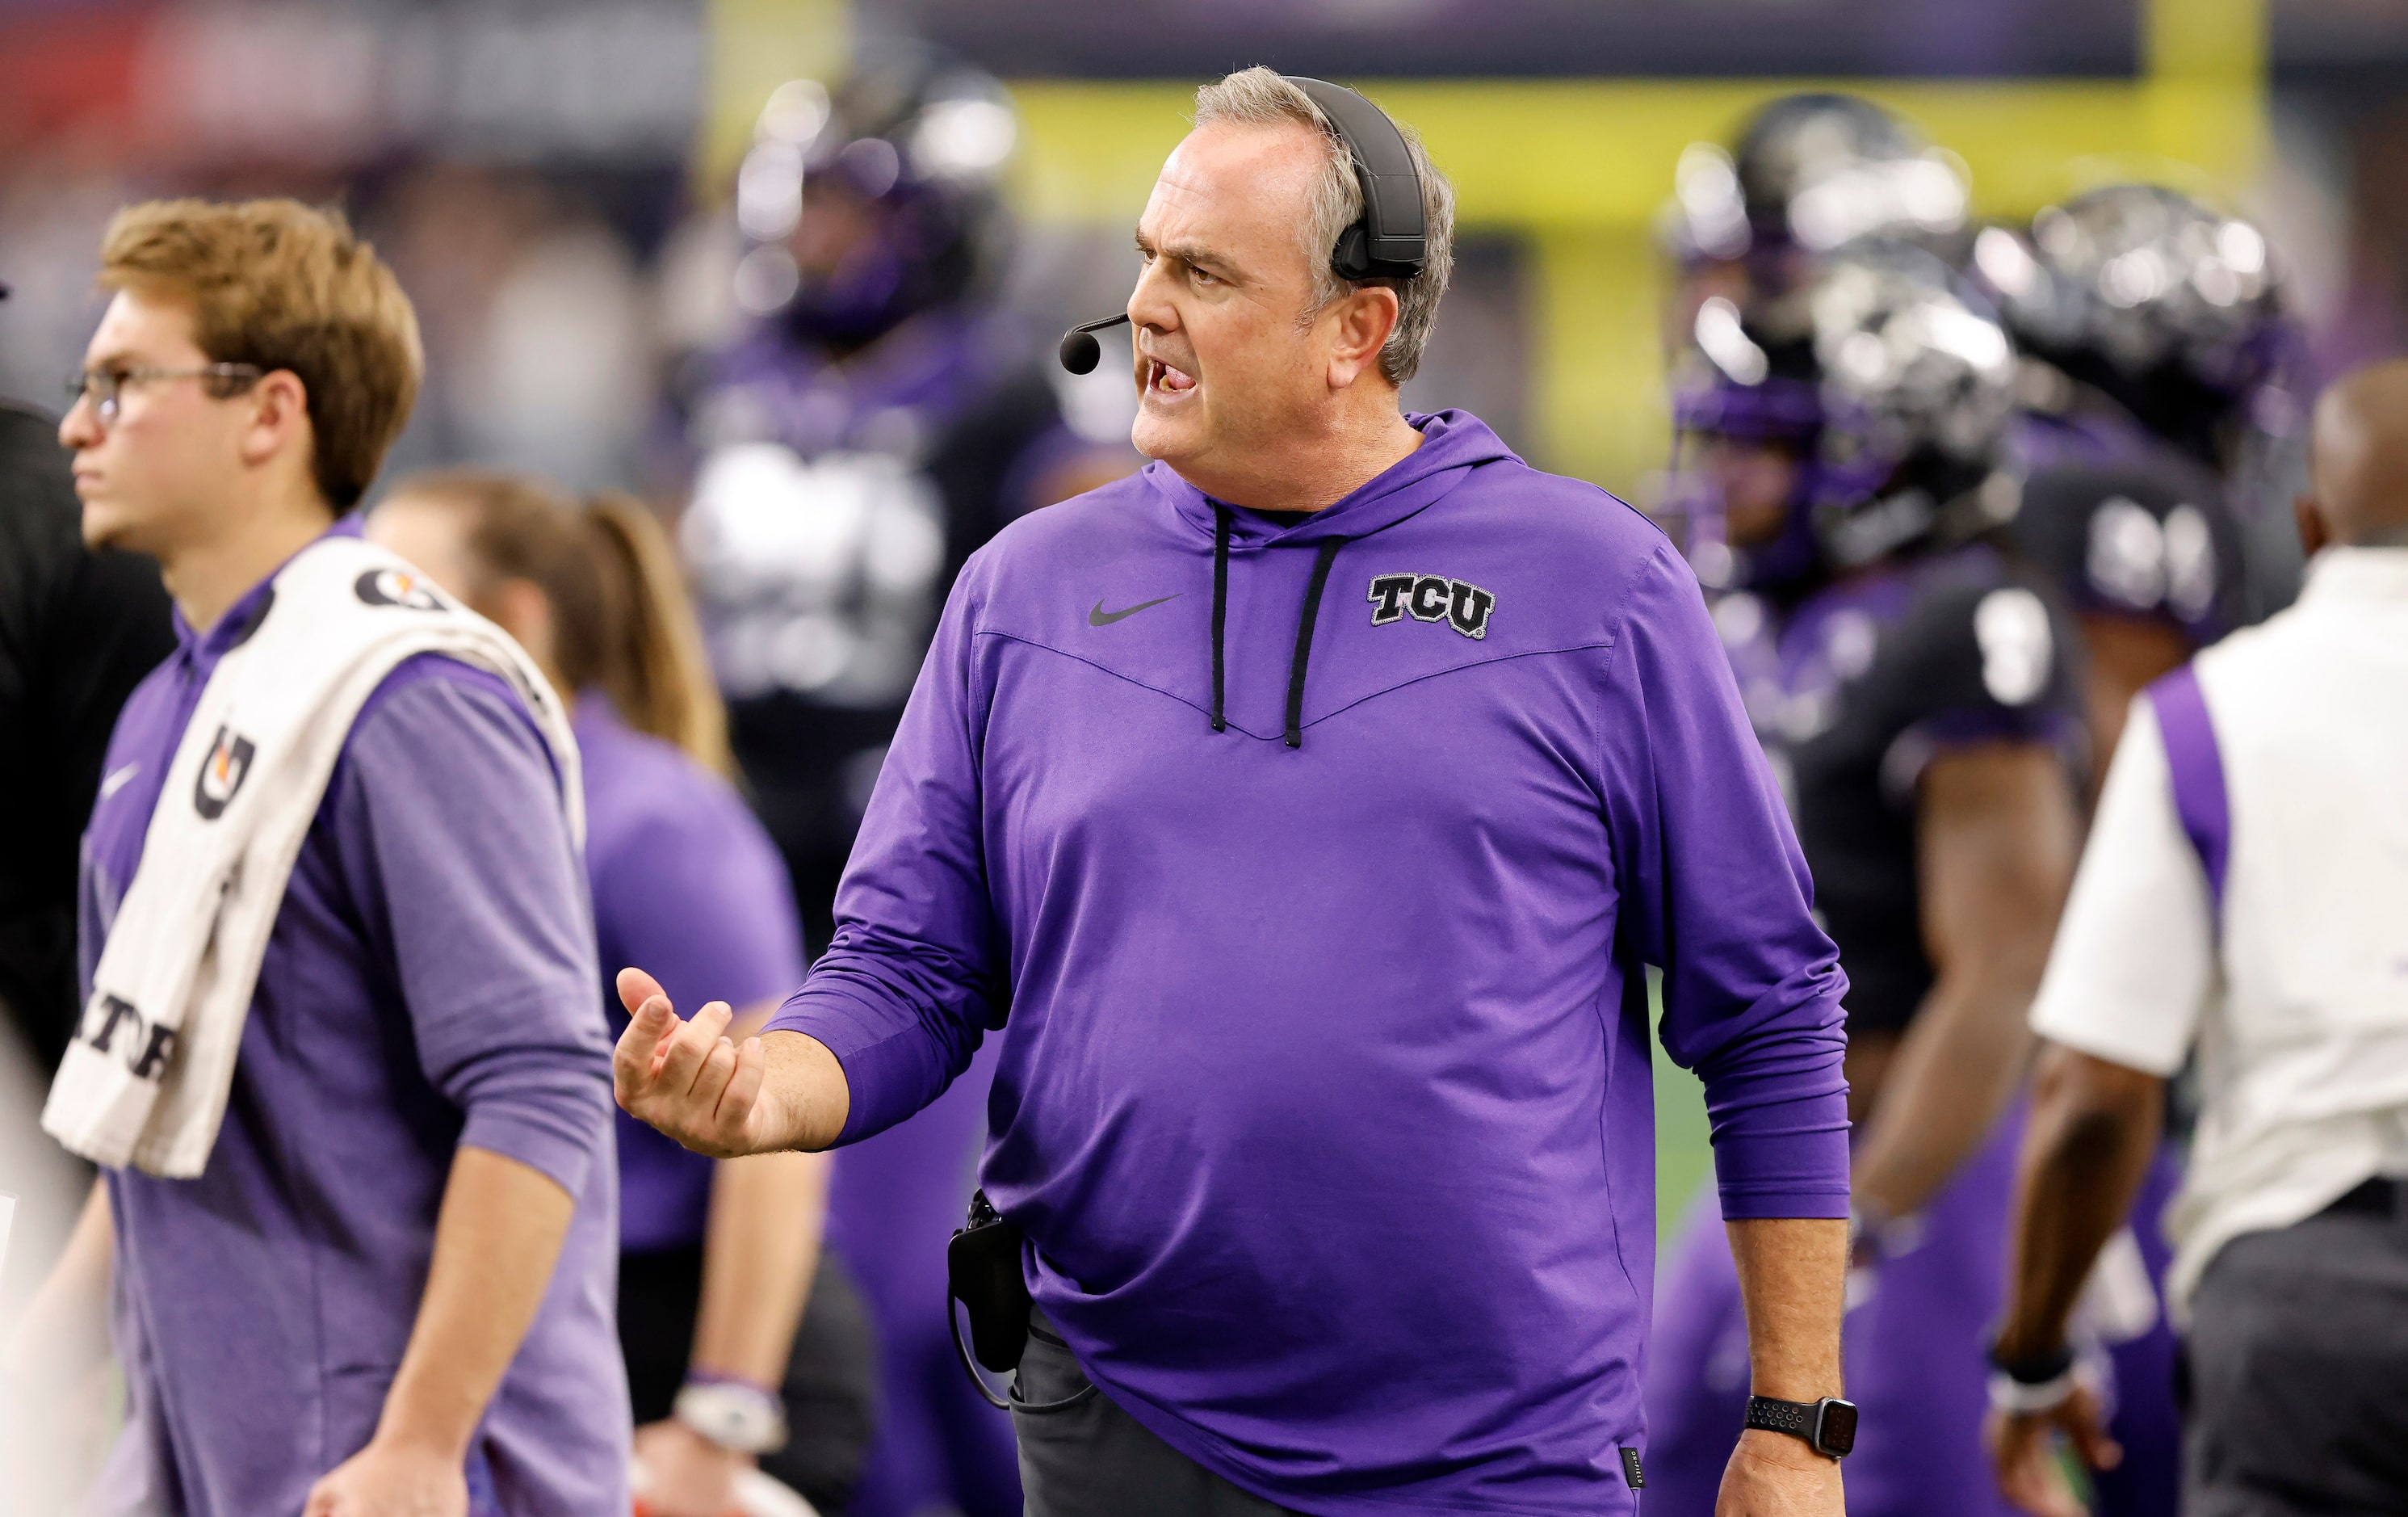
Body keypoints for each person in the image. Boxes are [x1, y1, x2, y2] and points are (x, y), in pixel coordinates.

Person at [619, 67, 1853, 1517]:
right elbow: (911, 963)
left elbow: (1765, 1009)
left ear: (1357, 329)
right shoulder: (1025, 588)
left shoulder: (1595, 589)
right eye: (1148, 257)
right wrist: (774, 1087)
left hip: (1487, 1459)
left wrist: (1792, 1422)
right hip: (1111, 1417)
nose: (1145, 303)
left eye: (1200, 270)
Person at [2, 199, 625, 1516]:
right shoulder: (172, 698)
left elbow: (541, 1087)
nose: (76, 423)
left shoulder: (406, 688)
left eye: (122, 383)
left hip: (399, 1470)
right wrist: (43, 1359)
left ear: (269, 413)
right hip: (220, 1457)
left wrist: (420, 1442)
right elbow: (152, 1090)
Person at [677, 54, 1132, 1516]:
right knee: (712, 1290)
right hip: (735, 880)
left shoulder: (1015, 400)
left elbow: (1091, 646)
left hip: (922, 912)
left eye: (844, 209)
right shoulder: (714, 386)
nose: (811, 239)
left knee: (891, 1302)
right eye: (801, 205)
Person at [1643, 242, 2085, 1517]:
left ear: (1881, 454)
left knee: (1888, 1481)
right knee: (1672, 1453)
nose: (1729, 478)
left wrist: (1873, 1212)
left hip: (1910, 1154)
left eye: (1765, 446)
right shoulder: (1773, 617)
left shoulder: (1966, 622)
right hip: (1768, 1152)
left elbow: (2003, 966)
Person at [367, 472, 876, 1516]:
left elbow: (768, 1131)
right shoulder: (434, 805)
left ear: (517, 618)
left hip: (702, 1354)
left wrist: (719, 1417)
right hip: (571, 1329)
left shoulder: (654, 819)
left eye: (400, 594)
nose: (365, 627)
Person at [1986, 357, 2408, 1517]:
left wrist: (2031, 1355)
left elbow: (2095, 1089)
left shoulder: (2211, 712)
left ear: (2310, 522)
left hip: (2305, 1295)